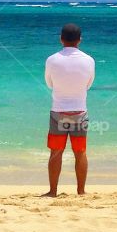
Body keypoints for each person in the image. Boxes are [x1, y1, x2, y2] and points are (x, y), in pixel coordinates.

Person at [44, 23, 95, 197]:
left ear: (61, 39)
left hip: (58, 112)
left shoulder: (52, 60)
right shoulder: (89, 60)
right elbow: (88, 84)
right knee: (80, 152)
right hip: (79, 112)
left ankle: (53, 191)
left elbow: (49, 83)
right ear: (80, 40)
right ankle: (81, 191)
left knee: (56, 152)